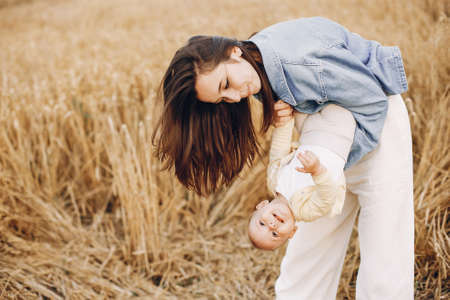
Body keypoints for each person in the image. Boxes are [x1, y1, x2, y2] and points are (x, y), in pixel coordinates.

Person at [154, 17, 413, 299]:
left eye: (226, 83)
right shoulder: (255, 67)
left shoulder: (300, 62)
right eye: (222, 98)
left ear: (233, 51)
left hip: (374, 131)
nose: (234, 97)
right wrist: (313, 161)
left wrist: (332, 167)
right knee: (306, 258)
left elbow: (372, 101)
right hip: (319, 151)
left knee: (385, 257)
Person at [248, 104, 355, 251]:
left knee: (291, 103)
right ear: (292, 232)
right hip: (336, 136)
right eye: (274, 234)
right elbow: (327, 196)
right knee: (337, 104)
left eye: (262, 224)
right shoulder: (306, 211)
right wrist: (317, 171)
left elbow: (279, 151)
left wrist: (283, 122)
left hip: (309, 131)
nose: (272, 225)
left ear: (262, 206)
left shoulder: (274, 182)